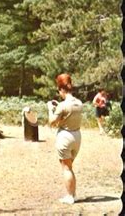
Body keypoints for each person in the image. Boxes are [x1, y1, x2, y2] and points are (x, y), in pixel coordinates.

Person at [47, 73, 83, 205]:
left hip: (65, 137)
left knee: (66, 168)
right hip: (77, 137)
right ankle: (73, 194)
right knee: (70, 167)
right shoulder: (79, 103)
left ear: (62, 89)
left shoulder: (62, 105)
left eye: (59, 90)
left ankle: (70, 196)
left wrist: (50, 109)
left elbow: (52, 121)